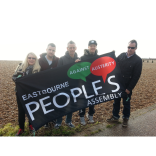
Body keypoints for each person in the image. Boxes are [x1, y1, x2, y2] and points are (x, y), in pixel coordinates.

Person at [106, 39, 142, 127]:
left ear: (136, 48)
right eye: (129, 47)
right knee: (116, 102)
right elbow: (113, 63)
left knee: (126, 103)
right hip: (118, 85)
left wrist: (129, 88)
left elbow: (136, 76)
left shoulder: (138, 60)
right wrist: (111, 55)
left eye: (132, 48)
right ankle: (115, 116)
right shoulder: (121, 55)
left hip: (127, 86)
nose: (130, 49)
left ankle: (125, 118)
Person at [12, 52, 41, 136]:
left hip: (32, 94)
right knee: (21, 111)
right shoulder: (20, 66)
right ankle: (21, 128)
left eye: (33, 58)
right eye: (29, 58)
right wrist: (19, 79)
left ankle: (31, 126)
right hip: (20, 93)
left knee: (31, 111)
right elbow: (13, 77)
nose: (31, 59)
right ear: (27, 58)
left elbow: (40, 81)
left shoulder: (38, 69)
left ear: (35, 60)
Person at [54, 40, 79, 129]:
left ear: (75, 48)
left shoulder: (79, 59)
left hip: (73, 86)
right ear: (67, 48)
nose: (72, 49)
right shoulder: (62, 59)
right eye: (70, 47)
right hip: (63, 86)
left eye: (73, 47)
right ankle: (58, 122)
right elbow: (58, 72)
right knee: (61, 104)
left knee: (70, 104)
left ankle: (68, 121)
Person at [39, 43, 59, 128]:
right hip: (43, 86)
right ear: (46, 49)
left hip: (54, 86)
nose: (51, 52)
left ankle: (53, 119)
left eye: (53, 50)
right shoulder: (39, 60)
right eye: (50, 50)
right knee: (45, 103)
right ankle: (46, 121)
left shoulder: (58, 60)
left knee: (53, 103)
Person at [78, 40, 98, 125]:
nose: (92, 47)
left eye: (94, 46)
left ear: (96, 47)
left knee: (92, 100)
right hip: (84, 83)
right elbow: (77, 69)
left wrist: (111, 56)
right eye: (91, 46)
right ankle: (82, 117)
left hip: (94, 83)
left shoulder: (98, 57)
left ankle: (90, 115)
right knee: (83, 101)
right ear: (88, 47)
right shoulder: (82, 58)